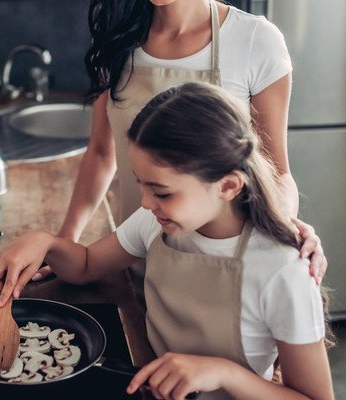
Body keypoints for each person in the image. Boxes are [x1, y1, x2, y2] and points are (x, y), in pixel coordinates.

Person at [0, 83, 334, 400]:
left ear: (228, 186)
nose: (146, 202)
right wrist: (46, 242)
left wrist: (224, 373)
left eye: (162, 192)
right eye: (143, 185)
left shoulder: (282, 271)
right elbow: (85, 266)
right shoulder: (156, 222)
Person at [32, 0, 327, 285]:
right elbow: (100, 154)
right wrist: (65, 241)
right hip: (133, 262)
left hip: (226, 270)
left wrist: (286, 234)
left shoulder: (255, 39)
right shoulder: (118, 38)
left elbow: (276, 171)